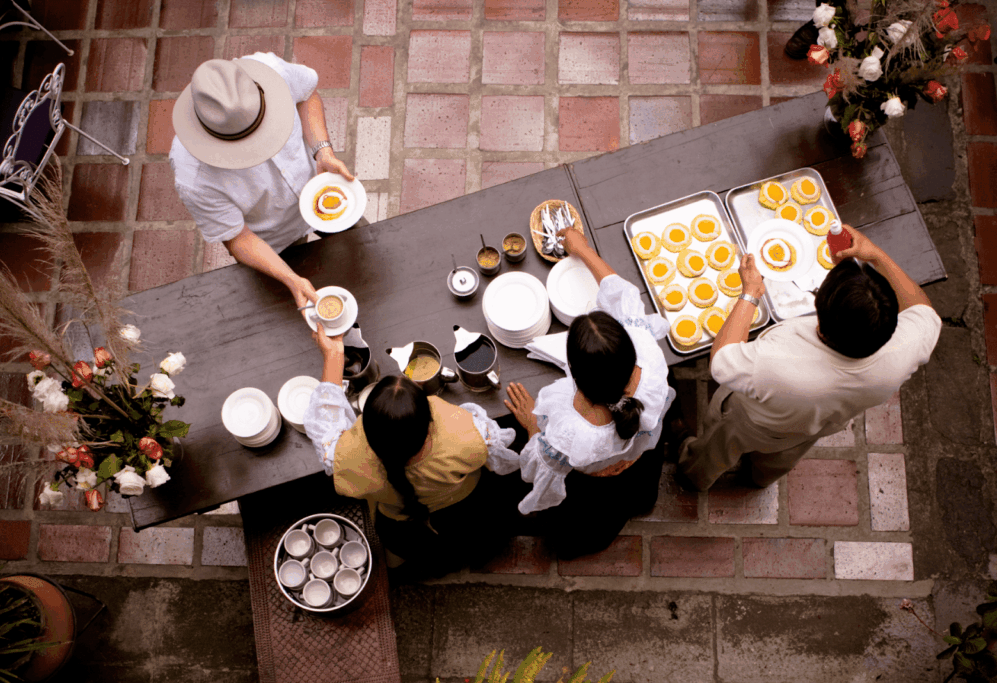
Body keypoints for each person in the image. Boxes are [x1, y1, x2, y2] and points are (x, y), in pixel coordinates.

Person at [677, 224, 941, 491]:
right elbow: (924, 311)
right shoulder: (904, 346)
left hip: (750, 423)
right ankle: (760, 479)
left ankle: (694, 475)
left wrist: (750, 294)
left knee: (716, 450)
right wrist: (875, 255)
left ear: (819, 312)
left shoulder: (776, 361)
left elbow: (721, 360)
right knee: (782, 456)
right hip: (813, 426)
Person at [502, 228, 674, 560]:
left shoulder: (570, 426)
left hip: (595, 484)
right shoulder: (647, 352)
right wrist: (584, 250)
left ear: (575, 375)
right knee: (635, 489)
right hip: (640, 455)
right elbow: (624, 297)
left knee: (582, 523)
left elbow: (540, 467)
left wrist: (532, 426)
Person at [303, 325, 521, 575]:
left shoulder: (350, 457)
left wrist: (333, 356)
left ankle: (400, 563)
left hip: (402, 526)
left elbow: (324, 426)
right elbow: (500, 455)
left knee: (403, 548)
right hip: (465, 507)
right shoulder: (467, 435)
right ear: (430, 424)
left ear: (364, 429)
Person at [169, 52, 355, 310]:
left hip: (323, 190)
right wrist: (291, 279)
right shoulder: (194, 177)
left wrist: (323, 151)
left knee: (363, 256)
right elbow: (237, 238)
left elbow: (307, 93)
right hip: (275, 243)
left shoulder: (270, 68)